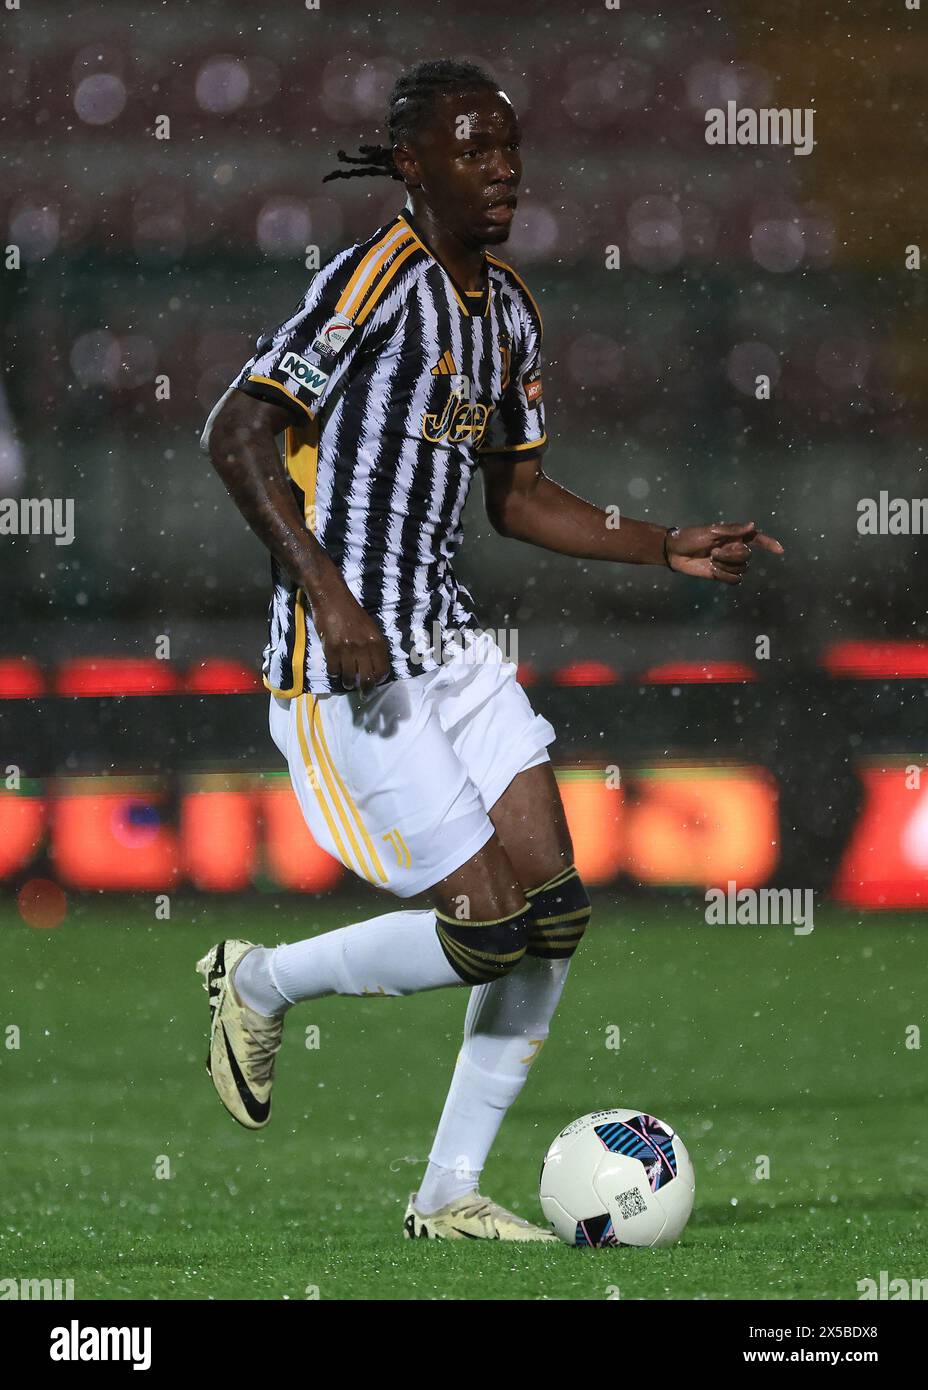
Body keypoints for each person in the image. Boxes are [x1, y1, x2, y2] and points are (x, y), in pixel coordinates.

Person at [198, 58, 783, 1241]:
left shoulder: (505, 307)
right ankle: (254, 983)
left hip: (448, 649)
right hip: (344, 665)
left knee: (555, 912)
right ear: (412, 164)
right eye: (473, 148)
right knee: (486, 930)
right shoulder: (370, 285)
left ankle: (444, 1196)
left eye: (509, 147)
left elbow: (515, 497)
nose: (500, 168)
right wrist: (332, 598)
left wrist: (662, 544)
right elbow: (236, 433)